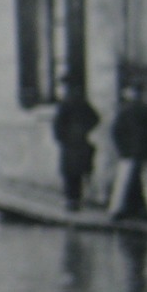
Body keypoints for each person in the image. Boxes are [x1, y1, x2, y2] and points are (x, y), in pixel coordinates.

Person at [108, 82, 147, 220]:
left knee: (123, 181)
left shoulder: (124, 111)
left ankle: (117, 209)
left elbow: (116, 132)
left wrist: (121, 149)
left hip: (129, 152)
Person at [51, 75, 101, 211]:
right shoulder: (82, 102)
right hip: (80, 142)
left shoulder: (65, 103)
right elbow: (95, 118)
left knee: (69, 172)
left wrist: (62, 137)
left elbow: (58, 125)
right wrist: (84, 129)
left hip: (70, 143)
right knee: (78, 172)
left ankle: (71, 200)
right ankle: (76, 199)